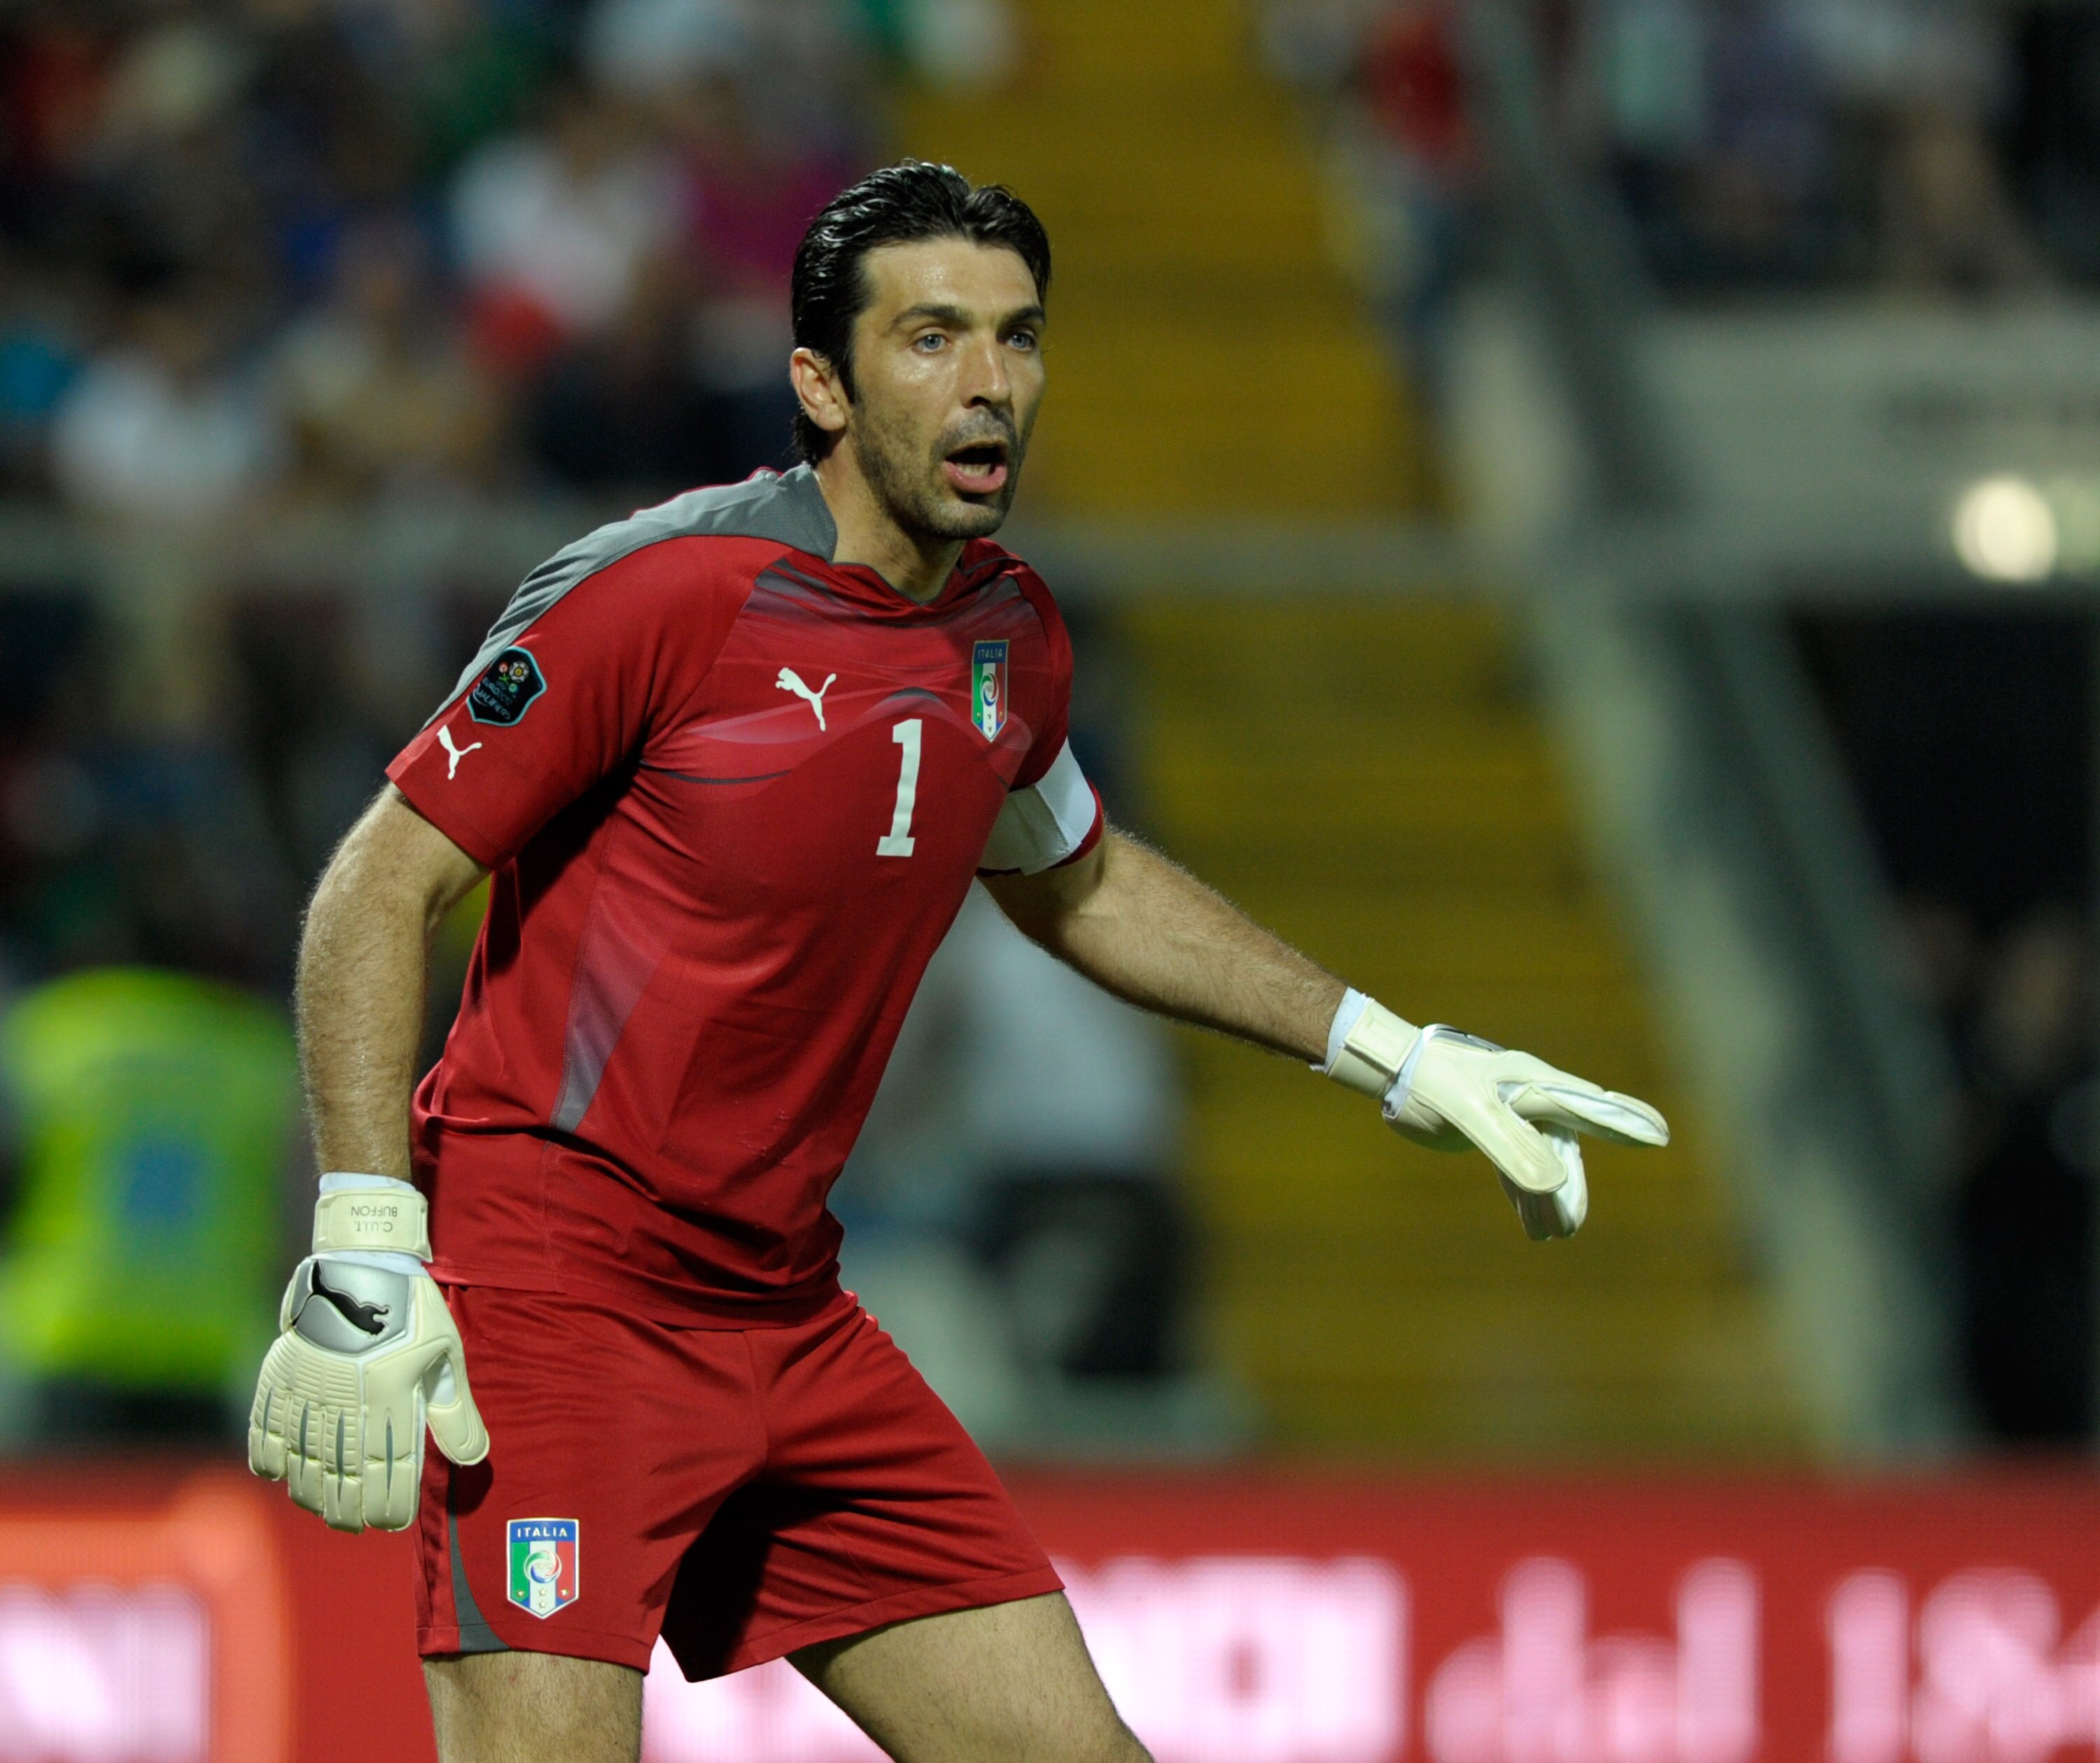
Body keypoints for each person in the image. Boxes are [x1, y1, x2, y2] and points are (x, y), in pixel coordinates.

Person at [247, 160, 1669, 1762]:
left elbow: (1083, 883)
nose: (991, 381)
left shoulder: (1009, 635)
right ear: (822, 385)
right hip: (555, 1306)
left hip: (786, 1311)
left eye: (1018, 336)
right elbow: (378, 888)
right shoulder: (664, 592)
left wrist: (1393, 1051)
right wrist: (367, 1246)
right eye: (932, 338)